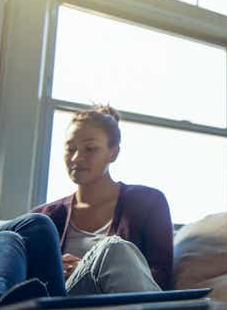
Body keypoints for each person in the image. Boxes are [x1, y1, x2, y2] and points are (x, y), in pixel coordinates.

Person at [32, 105, 173, 294]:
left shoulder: (148, 202)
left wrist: (96, 269)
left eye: (90, 149)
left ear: (113, 153)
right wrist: (57, 273)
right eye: (70, 148)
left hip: (121, 303)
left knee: (113, 249)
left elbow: (162, 275)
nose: (77, 157)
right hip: (63, 306)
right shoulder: (42, 217)